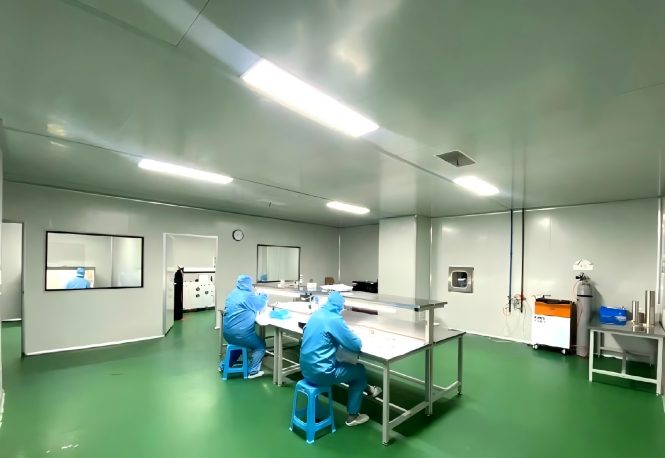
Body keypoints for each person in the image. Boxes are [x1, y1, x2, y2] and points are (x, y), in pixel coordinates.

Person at [300, 291, 382, 426]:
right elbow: (355, 346)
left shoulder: (316, 314)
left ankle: (369, 390)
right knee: (359, 371)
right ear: (340, 306)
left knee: (344, 364)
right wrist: (353, 335)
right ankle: (353, 416)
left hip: (305, 369)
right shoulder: (334, 319)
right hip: (321, 374)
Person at [222, 275, 269, 378]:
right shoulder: (248, 296)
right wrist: (264, 295)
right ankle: (253, 371)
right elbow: (261, 304)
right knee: (260, 346)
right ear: (248, 284)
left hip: (227, 334)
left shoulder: (232, 294)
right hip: (241, 335)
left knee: (237, 344)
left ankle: (224, 366)